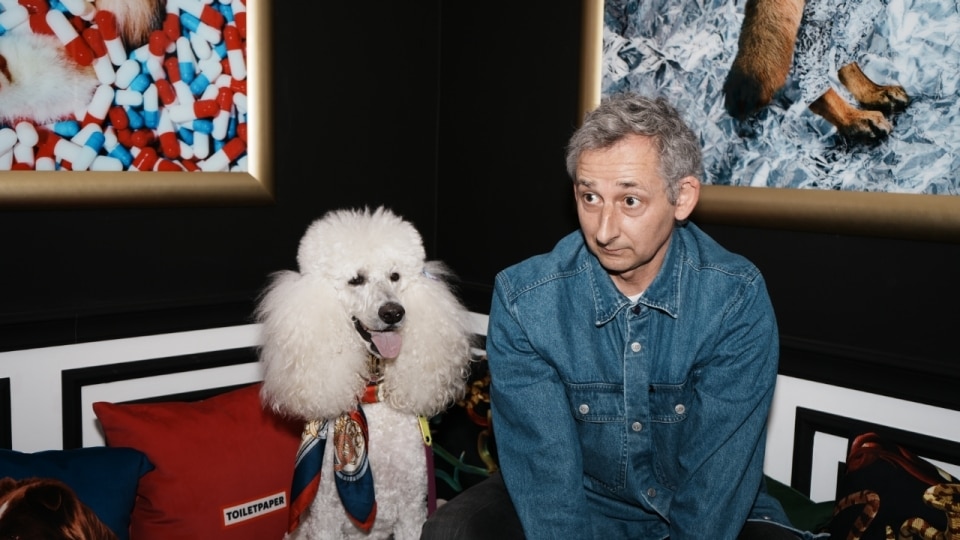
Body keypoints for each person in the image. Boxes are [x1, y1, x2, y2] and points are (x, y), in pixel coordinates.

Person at [420, 93, 824, 539]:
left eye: (630, 201)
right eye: (590, 197)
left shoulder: (734, 299)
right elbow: (547, 479)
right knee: (452, 530)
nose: (604, 230)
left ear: (682, 197)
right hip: (582, 501)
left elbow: (712, 493)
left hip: (701, 508)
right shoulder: (527, 301)